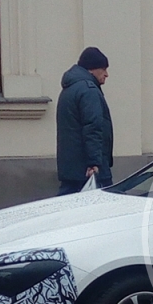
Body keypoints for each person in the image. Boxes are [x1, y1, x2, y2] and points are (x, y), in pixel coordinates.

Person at [56, 47, 114, 195]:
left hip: (71, 165)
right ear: (92, 69)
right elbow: (92, 128)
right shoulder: (89, 91)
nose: (106, 74)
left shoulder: (71, 88)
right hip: (88, 167)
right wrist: (94, 163)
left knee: (66, 204)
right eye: (103, 69)